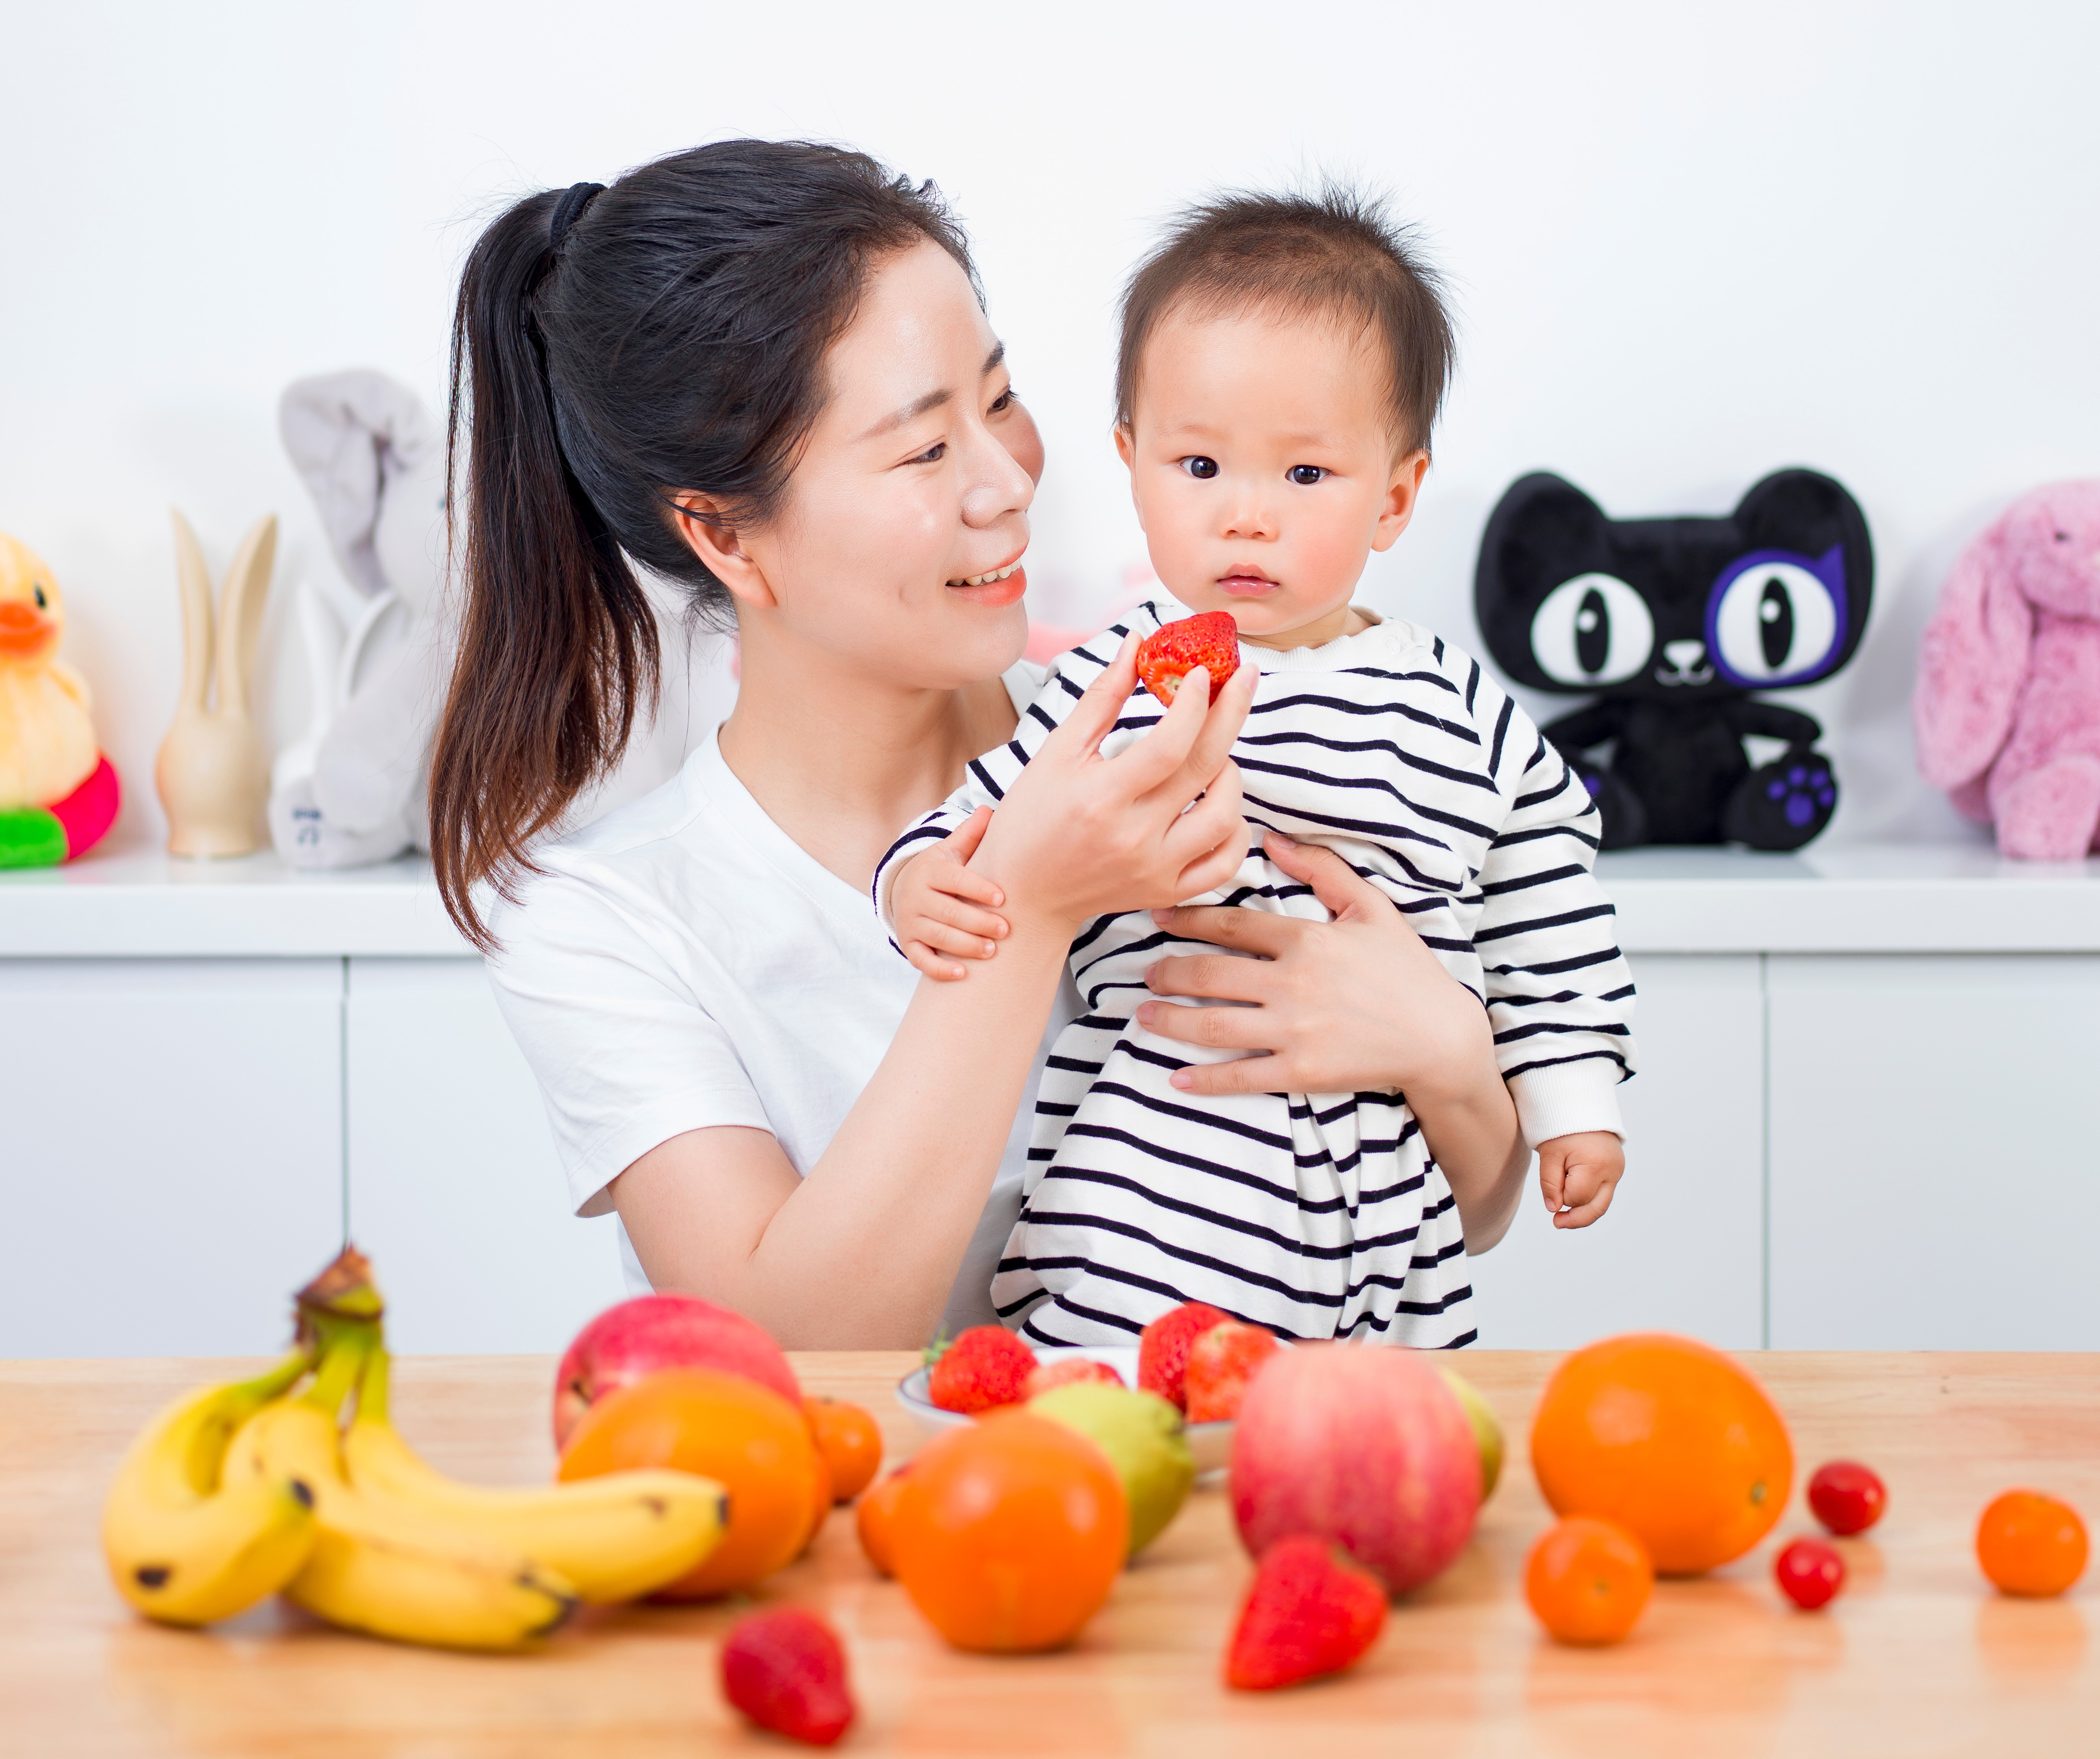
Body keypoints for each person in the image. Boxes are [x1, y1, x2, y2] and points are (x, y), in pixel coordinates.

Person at [430, 141, 1533, 1351]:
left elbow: (1462, 1210)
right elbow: (789, 1355)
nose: (1006, 480)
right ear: (728, 540)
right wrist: (1028, 910)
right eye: (920, 448)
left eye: (997, 398)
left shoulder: (1190, 740)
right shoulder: (603, 920)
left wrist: (1446, 1048)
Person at [879, 190, 1636, 1348]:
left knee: (1383, 1481)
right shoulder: (1115, 677)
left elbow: (1548, 901)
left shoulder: (1456, 705)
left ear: (1393, 497)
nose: (1245, 518)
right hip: (1146, 1190)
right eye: (1197, 464)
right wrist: (911, 878)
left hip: (1388, 1228)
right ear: (1130, 466)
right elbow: (983, 813)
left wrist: (1573, 1100)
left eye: (1303, 477)